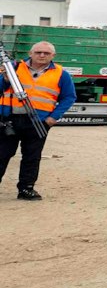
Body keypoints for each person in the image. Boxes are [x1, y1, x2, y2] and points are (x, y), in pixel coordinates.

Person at [1, 41, 75, 201]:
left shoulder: (62, 74)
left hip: (38, 122)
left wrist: (53, 118)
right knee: (2, 154)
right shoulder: (13, 67)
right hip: (10, 120)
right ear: (30, 53)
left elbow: (69, 97)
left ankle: (26, 189)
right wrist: (6, 80)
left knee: (32, 157)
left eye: (46, 53)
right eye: (38, 52)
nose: (42, 55)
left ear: (53, 56)